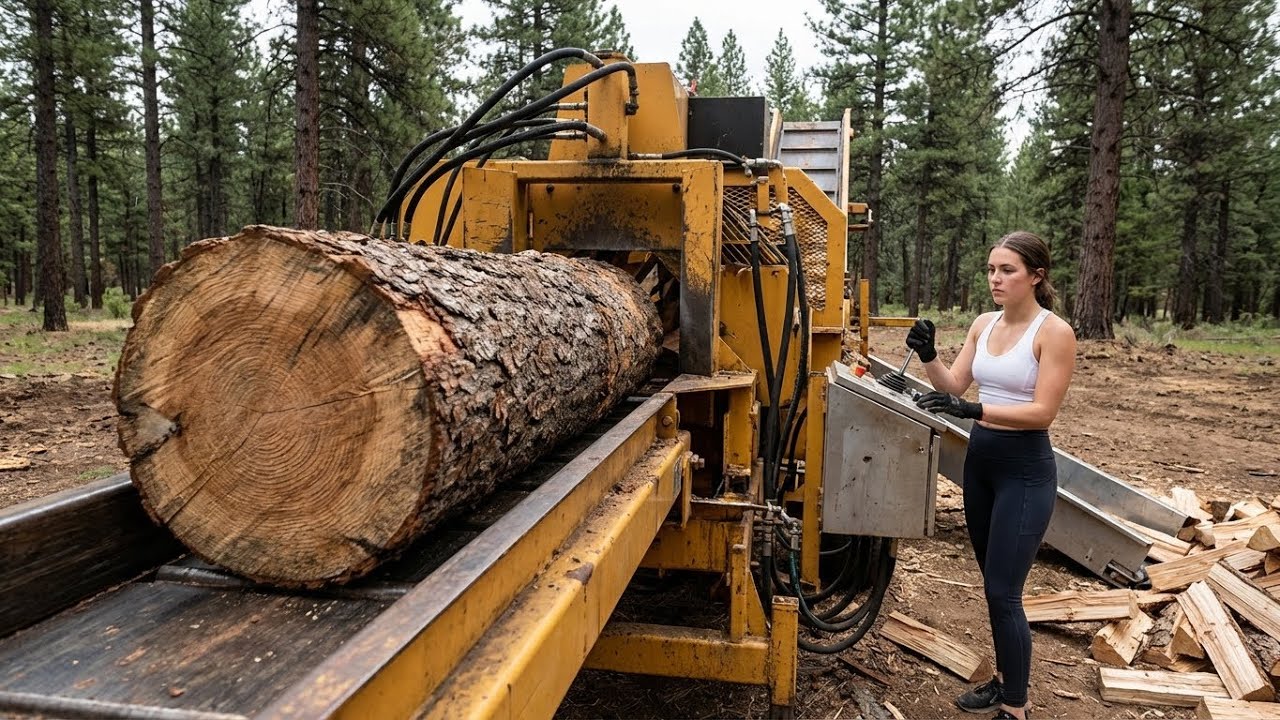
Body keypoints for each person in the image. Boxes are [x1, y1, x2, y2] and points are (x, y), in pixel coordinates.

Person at [905, 231, 1077, 720]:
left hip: (1025, 472)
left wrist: (973, 407)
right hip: (980, 467)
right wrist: (929, 355)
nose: (995, 279)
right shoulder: (984, 324)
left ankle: (1016, 709)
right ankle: (1004, 682)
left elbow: (1042, 413)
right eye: (990, 269)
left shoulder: (1053, 332)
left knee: (1005, 592)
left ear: (1036, 277)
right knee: (992, 586)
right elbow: (954, 385)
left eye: (1007, 270)